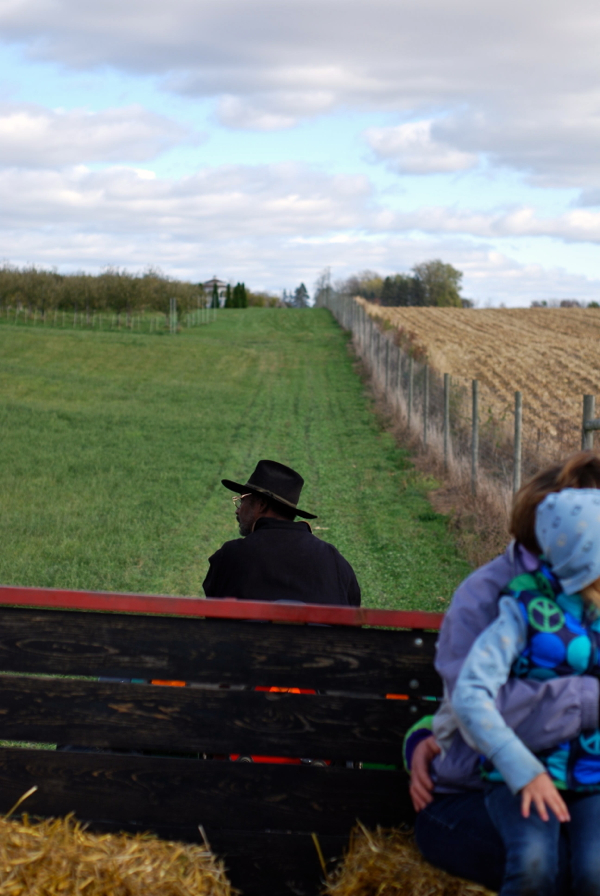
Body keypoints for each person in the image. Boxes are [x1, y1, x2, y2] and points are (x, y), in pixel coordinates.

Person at [406, 450, 600, 890]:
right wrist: (589, 700)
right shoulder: (493, 598)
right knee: (554, 865)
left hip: (581, 781)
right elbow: (473, 705)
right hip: (480, 792)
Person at [451, 488, 600, 896]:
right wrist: (522, 770)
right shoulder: (522, 607)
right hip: (522, 769)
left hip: (593, 774)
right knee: (534, 865)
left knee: (595, 872)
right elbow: (470, 694)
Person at [203, 459, 361, 606]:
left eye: (242, 500)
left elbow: (215, 616)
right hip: (317, 637)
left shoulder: (231, 554)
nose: (238, 510)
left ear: (261, 505)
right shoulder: (333, 559)